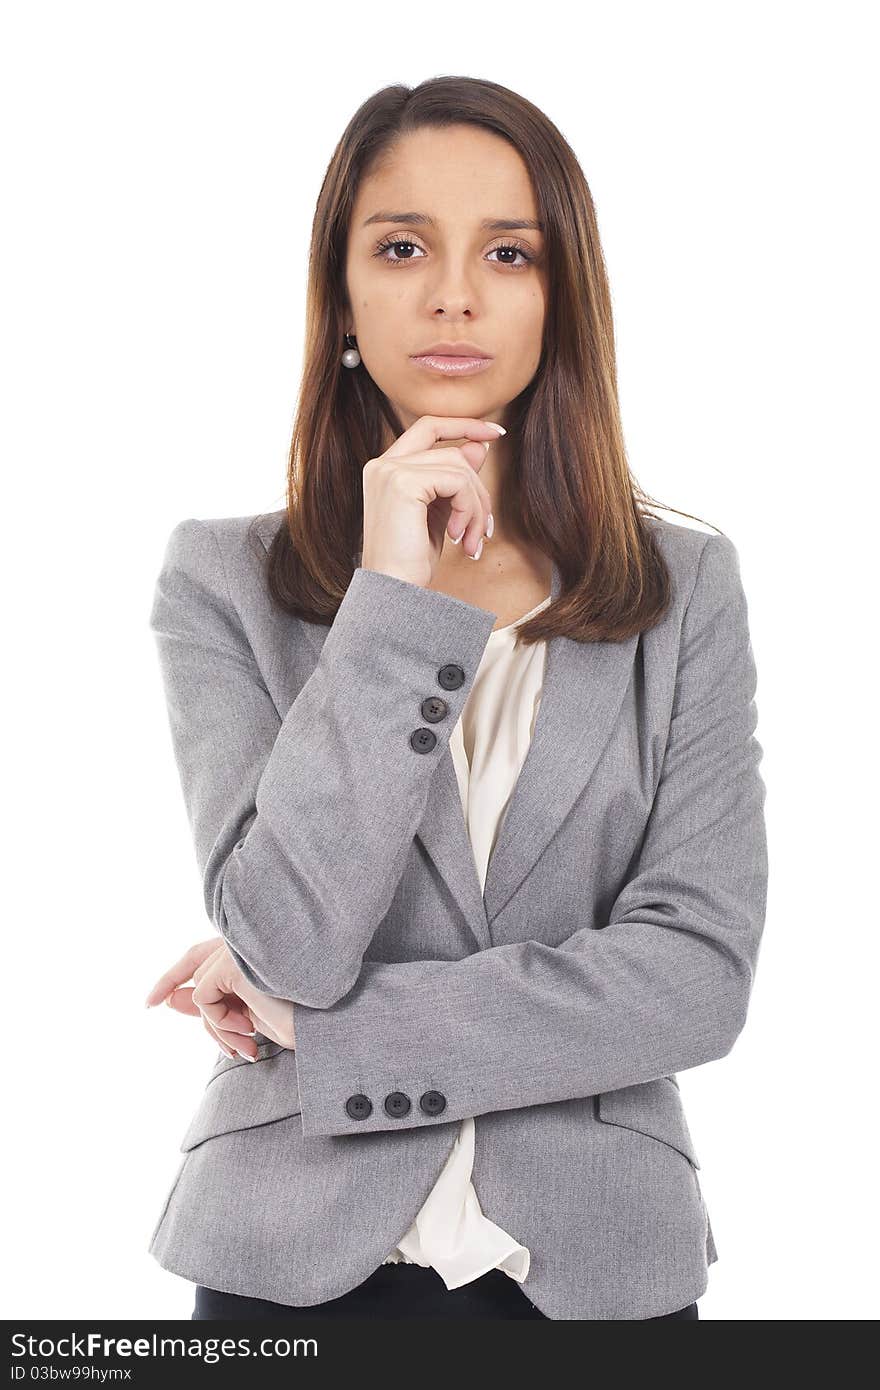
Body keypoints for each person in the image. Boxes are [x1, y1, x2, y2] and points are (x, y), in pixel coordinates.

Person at [144, 76, 767, 1321]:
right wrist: (392, 597)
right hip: (289, 1267)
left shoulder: (681, 586)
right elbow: (285, 937)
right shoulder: (222, 580)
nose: (453, 293)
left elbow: (697, 972)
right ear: (342, 303)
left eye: (509, 251)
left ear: (559, 299)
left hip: (599, 1265)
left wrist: (335, 1030)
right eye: (401, 245)